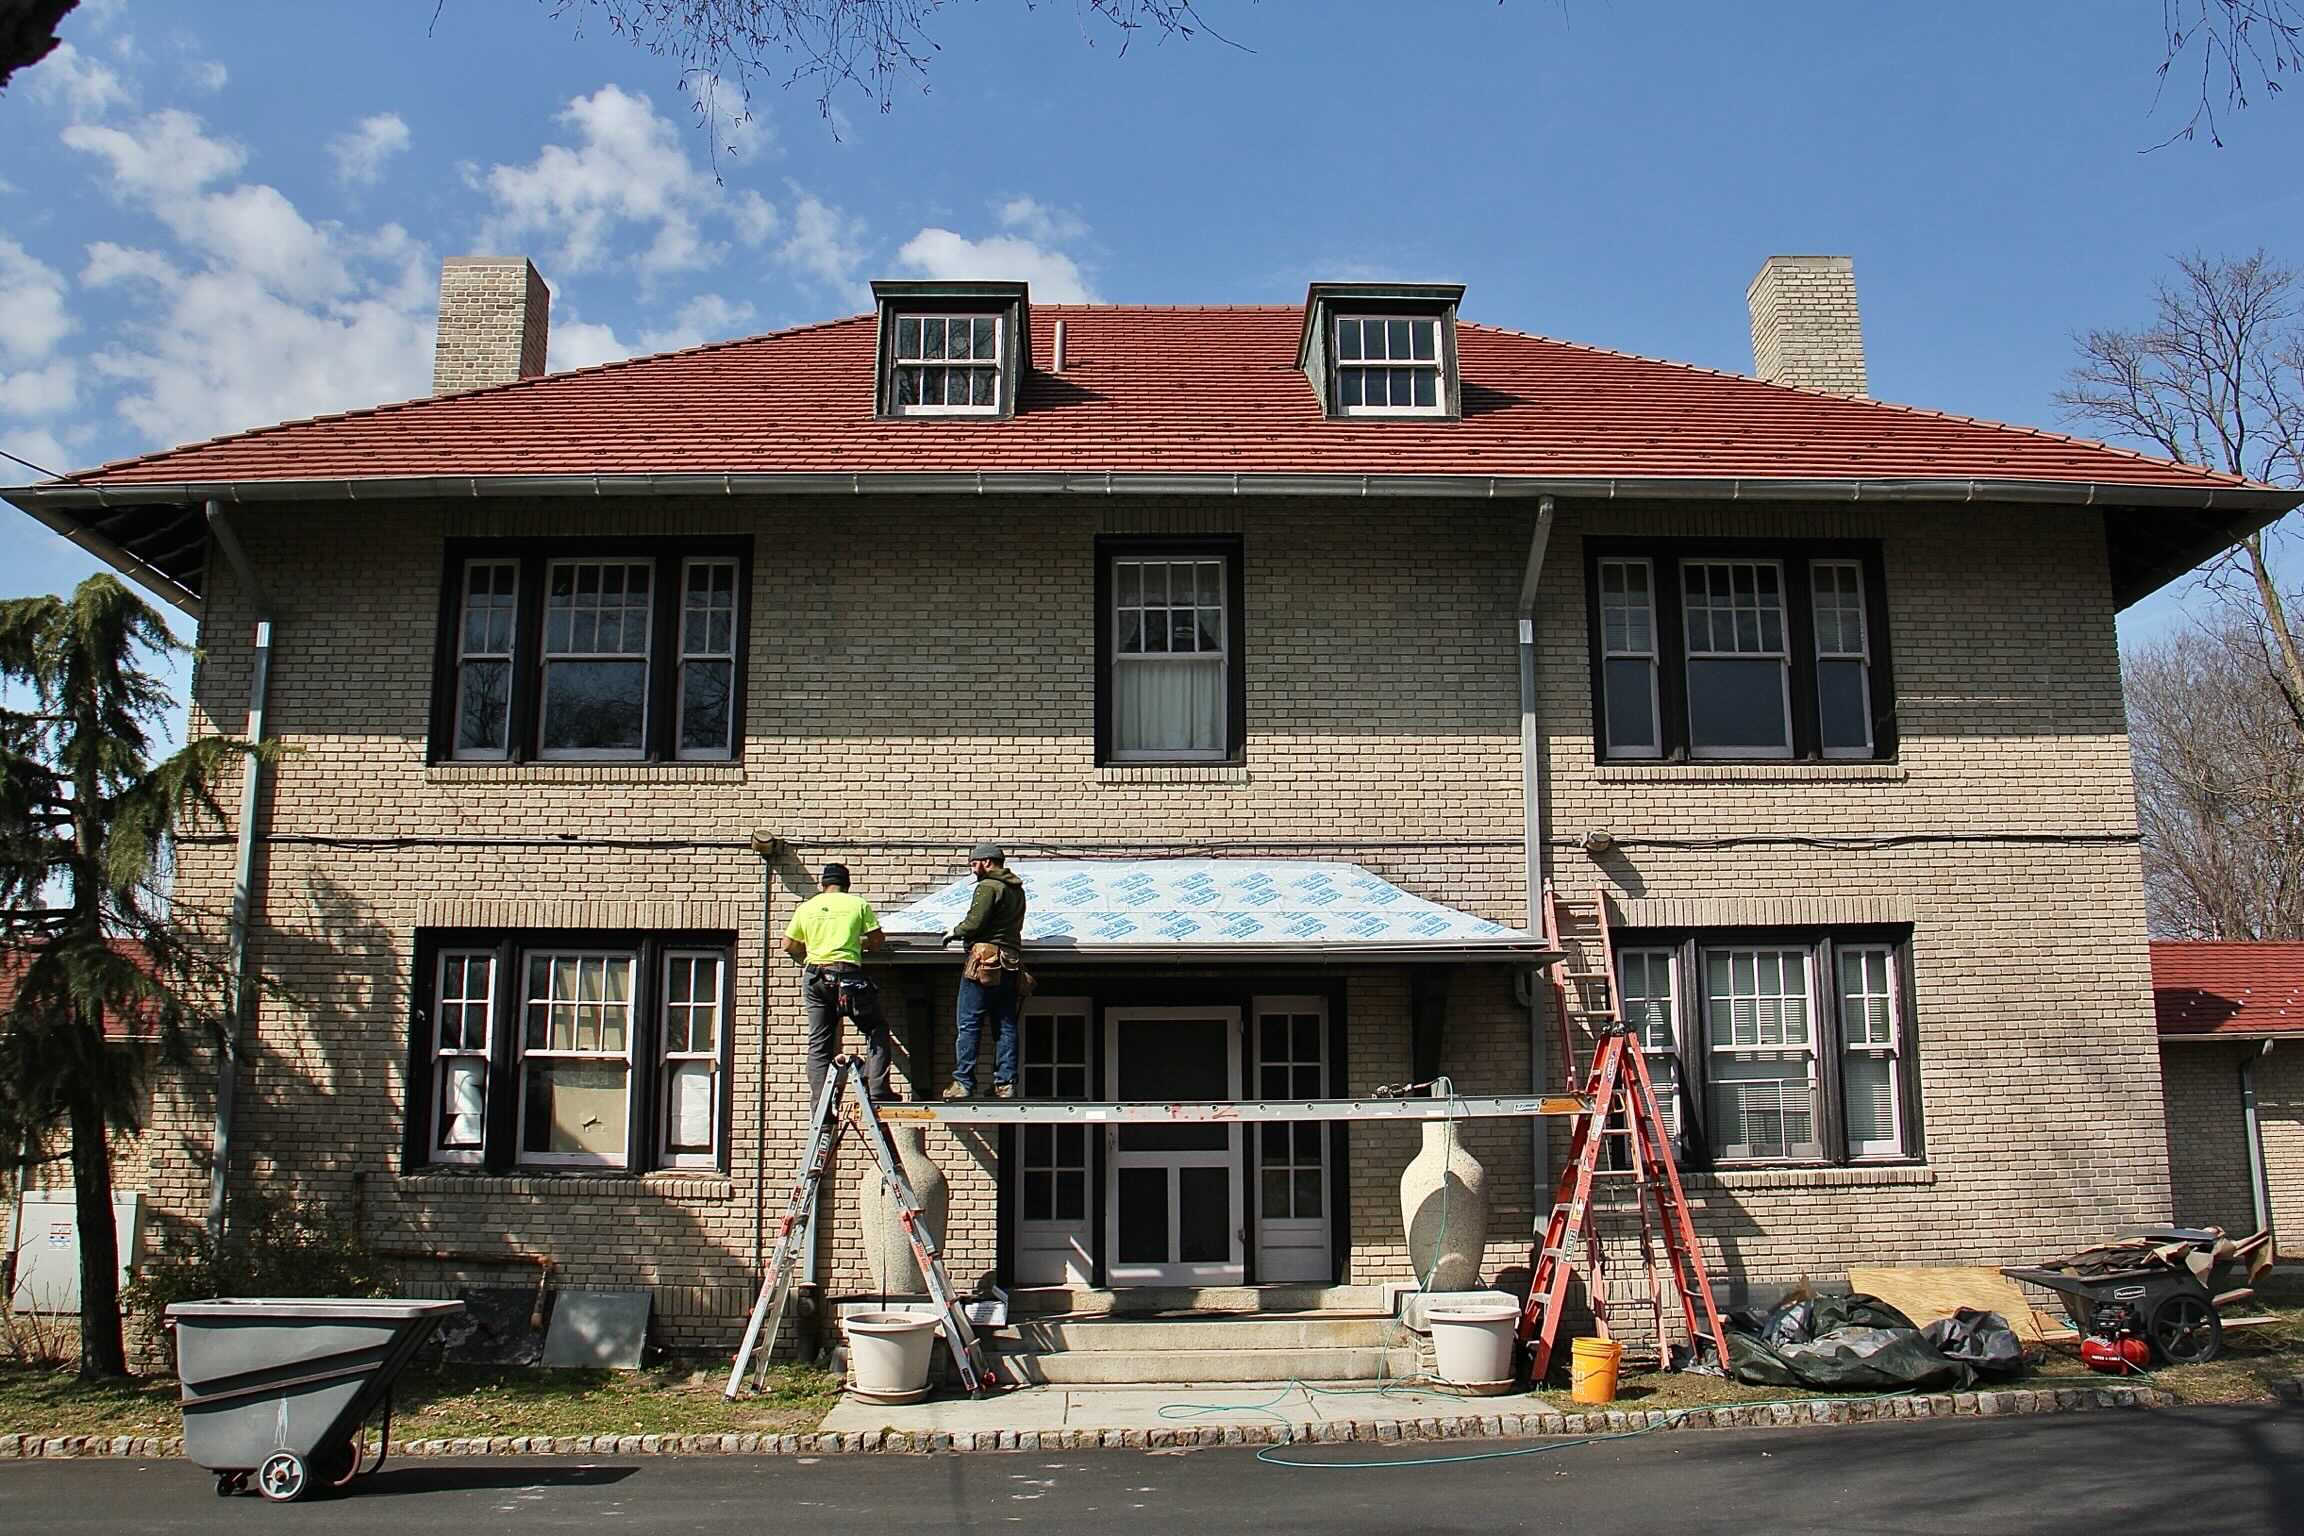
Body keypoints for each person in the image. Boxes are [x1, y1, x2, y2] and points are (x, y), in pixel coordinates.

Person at [784, 863, 894, 1104]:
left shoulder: (806, 907)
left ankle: (821, 1104)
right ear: (847, 885)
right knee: (876, 1029)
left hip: (815, 976)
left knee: (819, 1042)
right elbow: (877, 940)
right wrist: (859, 945)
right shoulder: (857, 904)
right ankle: (877, 1087)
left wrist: (810, 954)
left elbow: (788, 945)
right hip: (847, 976)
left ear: (823, 885)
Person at [942, 842, 1029, 1100]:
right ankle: (1005, 1084)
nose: (973, 868)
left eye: (974, 863)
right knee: (1005, 1024)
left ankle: (963, 1083)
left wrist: (955, 932)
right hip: (1010, 962)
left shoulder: (988, 886)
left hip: (984, 961)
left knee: (969, 1022)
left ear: (987, 862)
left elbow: (974, 923)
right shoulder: (1017, 890)